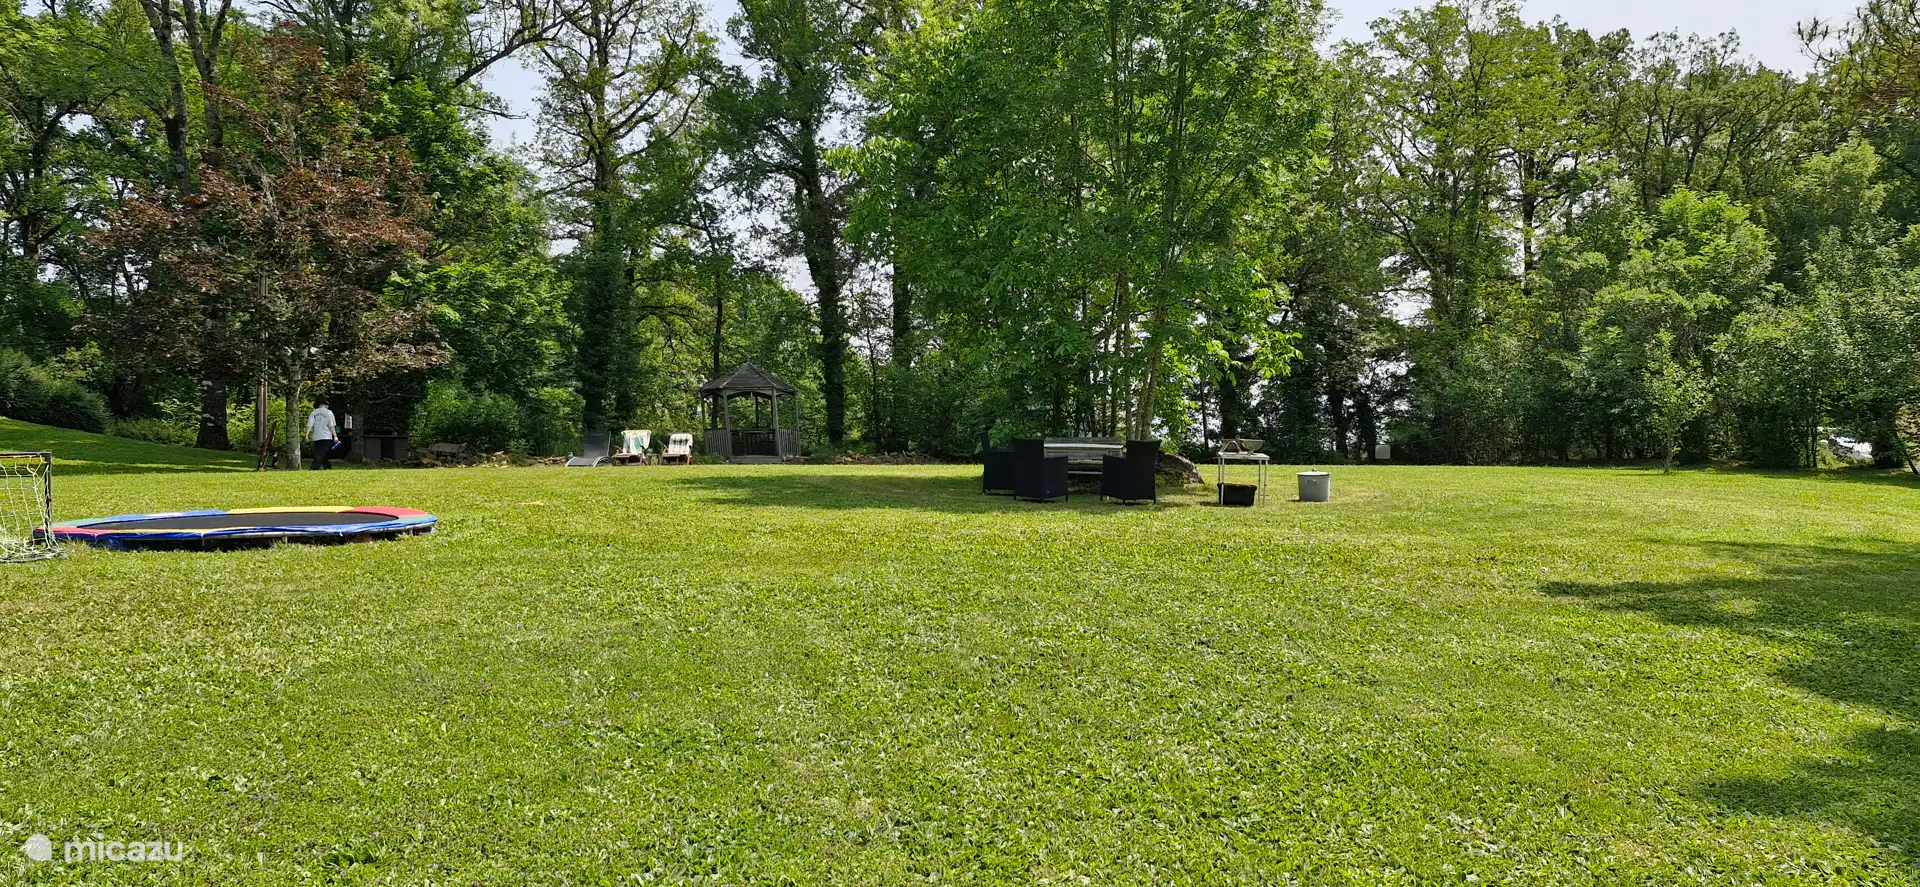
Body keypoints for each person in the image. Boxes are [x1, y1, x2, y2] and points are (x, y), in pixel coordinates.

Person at [306, 399, 338, 471]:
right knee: (320, 453)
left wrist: (307, 435)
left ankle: (328, 467)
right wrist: (335, 436)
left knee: (321, 452)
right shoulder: (329, 413)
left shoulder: (313, 413)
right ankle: (314, 468)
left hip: (316, 436)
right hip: (326, 436)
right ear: (325, 405)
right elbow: (331, 425)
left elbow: (310, 424)